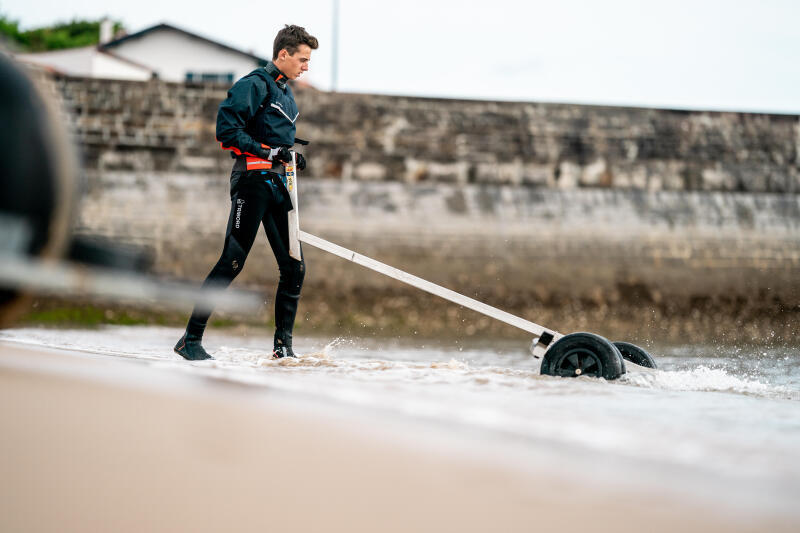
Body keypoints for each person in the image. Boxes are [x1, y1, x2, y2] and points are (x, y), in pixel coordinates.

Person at [174, 25, 318, 361]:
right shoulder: (254, 84)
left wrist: (289, 155)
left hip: (277, 184)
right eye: (302, 59)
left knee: (294, 267)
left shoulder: (286, 92)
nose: (306, 66)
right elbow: (226, 130)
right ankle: (189, 341)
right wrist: (270, 152)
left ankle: (283, 349)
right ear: (283, 54)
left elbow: (276, 140)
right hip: (251, 184)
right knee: (232, 261)